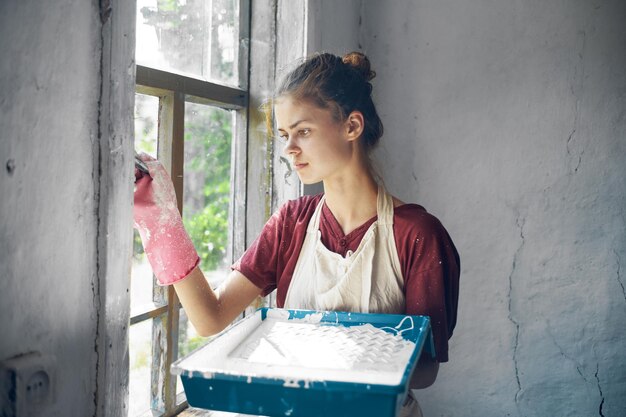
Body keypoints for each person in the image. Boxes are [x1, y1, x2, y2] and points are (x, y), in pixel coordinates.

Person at [133, 51, 460, 417]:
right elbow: (210, 317)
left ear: (352, 126)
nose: (289, 149)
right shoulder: (292, 223)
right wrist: (164, 224)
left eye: (303, 131)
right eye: (285, 135)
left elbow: (427, 370)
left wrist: (338, 351)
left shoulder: (418, 235)